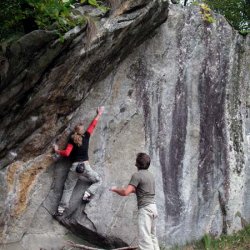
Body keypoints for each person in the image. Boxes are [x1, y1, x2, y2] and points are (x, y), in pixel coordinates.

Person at [53, 106, 104, 216]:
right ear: (82, 131)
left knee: (68, 189)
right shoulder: (86, 136)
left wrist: (57, 151)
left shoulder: (72, 140)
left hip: (74, 167)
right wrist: (99, 113)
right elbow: (93, 125)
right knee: (98, 180)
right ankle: (87, 194)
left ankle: (60, 210)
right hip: (85, 166)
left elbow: (66, 153)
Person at [110, 153, 160, 250]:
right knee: (152, 237)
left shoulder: (137, 175)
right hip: (153, 208)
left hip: (145, 209)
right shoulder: (150, 175)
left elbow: (126, 192)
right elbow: (138, 190)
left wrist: (115, 189)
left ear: (137, 163)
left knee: (145, 240)